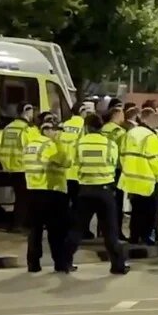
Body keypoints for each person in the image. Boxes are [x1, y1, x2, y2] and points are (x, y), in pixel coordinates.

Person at [68, 114, 129, 274]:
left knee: (77, 229)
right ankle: (118, 266)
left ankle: (65, 261)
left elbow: (73, 162)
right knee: (110, 231)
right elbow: (115, 163)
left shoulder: (79, 144)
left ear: (86, 128)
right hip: (105, 191)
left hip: (85, 190)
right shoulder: (110, 144)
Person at [23, 121, 72, 272]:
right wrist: (58, 142)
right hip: (52, 191)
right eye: (55, 130)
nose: (58, 133)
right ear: (48, 131)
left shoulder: (29, 146)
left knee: (35, 230)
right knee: (56, 230)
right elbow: (65, 161)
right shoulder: (50, 145)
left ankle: (33, 264)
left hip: (32, 190)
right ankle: (60, 263)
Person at [118, 109, 158, 247]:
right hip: (147, 180)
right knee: (149, 212)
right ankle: (146, 238)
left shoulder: (130, 133)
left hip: (131, 179)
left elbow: (122, 154)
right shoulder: (150, 137)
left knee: (136, 211)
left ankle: (134, 237)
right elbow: (155, 160)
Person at [61, 101, 96, 238]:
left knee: (65, 203)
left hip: (64, 170)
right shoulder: (83, 126)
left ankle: (65, 228)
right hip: (77, 171)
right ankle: (80, 230)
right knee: (79, 205)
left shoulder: (64, 125)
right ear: (82, 112)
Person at [0, 101, 35, 232]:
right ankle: (18, 225)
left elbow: (2, 146)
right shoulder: (26, 130)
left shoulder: (8, 127)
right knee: (24, 198)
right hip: (23, 167)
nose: (33, 114)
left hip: (10, 168)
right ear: (26, 111)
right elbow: (31, 149)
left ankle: (17, 223)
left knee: (19, 197)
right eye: (31, 111)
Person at [102, 106, 128, 241]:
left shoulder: (103, 129)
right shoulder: (120, 132)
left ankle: (102, 231)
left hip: (102, 169)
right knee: (116, 204)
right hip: (116, 169)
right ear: (116, 115)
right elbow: (123, 151)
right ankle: (116, 232)